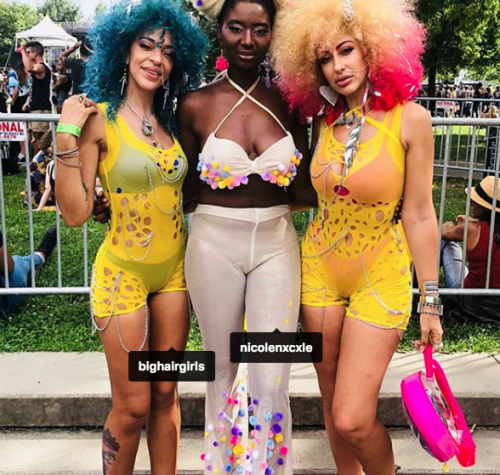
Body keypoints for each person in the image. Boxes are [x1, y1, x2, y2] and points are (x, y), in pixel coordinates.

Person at [273, 1, 443, 474]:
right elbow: (311, 192)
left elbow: (421, 214)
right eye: (325, 58)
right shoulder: (324, 121)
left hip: (380, 276)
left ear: (373, 49)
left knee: (352, 417)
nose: (337, 66)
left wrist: (431, 301)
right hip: (319, 273)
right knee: (331, 404)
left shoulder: (411, 119)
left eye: (346, 51)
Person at [55, 0, 206, 473]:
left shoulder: (170, 124)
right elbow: (77, 214)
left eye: (166, 51)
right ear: (124, 51)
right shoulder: (99, 119)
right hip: (123, 275)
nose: (156, 58)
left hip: (173, 276)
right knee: (132, 406)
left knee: (165, 395)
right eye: (146, 45)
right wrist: (63, 137)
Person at [179, 0, 310, 473]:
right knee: (220, 368)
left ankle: (271, 468)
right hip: (213, 242)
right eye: (237, 28)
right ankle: (227, 467)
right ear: (220, 30)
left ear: (275, 33)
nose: (248, 41)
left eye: (260, 29)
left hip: (277, 241)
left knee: (271, 375)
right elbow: (185, 187)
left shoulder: (292, 103)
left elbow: (306, 186)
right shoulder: (193, 104)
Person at [441, 176, 500, 323]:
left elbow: (443, 233)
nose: (471, 203)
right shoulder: (476, 228)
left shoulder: (472, 230)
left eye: (475, 200)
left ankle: (417, 284)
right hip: (496, 306)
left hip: (468, 299)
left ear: (487, 207)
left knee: (449, 243)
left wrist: (450, 226)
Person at [0, 228, 57, 315]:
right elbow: (8, 267)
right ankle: (40, 255)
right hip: (6, 302)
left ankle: (32, 268)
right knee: (18, 262)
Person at [21, 41, 53, 156]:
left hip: (41, 108)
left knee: (40, 139)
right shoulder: (40, 67)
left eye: (29, 52)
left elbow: (29, 68)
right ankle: (36, 165)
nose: (28, 55)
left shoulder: (41, 66)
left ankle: (37, 167)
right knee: (36, 137)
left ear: (35, 53)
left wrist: (23, 50)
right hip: (36, 107)